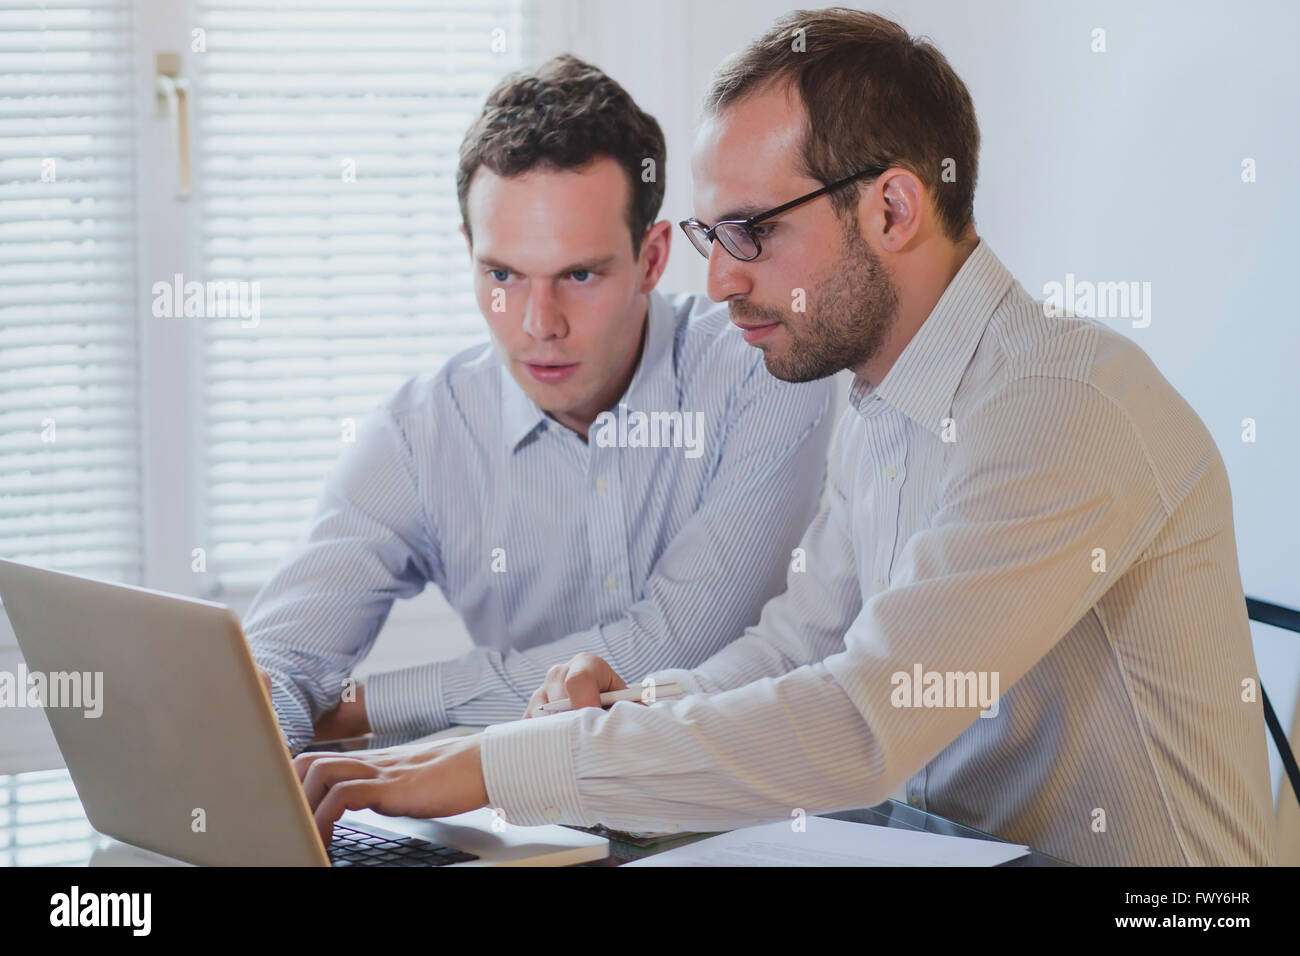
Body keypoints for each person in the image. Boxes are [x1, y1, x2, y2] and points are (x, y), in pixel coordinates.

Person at [292, 10, 1277, 866]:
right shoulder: (879, 403)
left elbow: (860, 722)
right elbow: (799, 645)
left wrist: (497, 761)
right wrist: (636, 705)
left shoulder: (1058, 402)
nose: (717, 282)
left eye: (751, 231)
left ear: (890, 207)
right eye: (713, 236)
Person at [247, 54, 834, 756]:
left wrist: (364, 708)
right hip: (532, 828)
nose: (538, 324)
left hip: (750, 814)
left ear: (651, 259)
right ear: (469, 253)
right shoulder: (420, 434)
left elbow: (673, 644)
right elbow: (271, 664)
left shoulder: (757, 367)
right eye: (504, 275)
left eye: (579, 274)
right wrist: (271, 730)